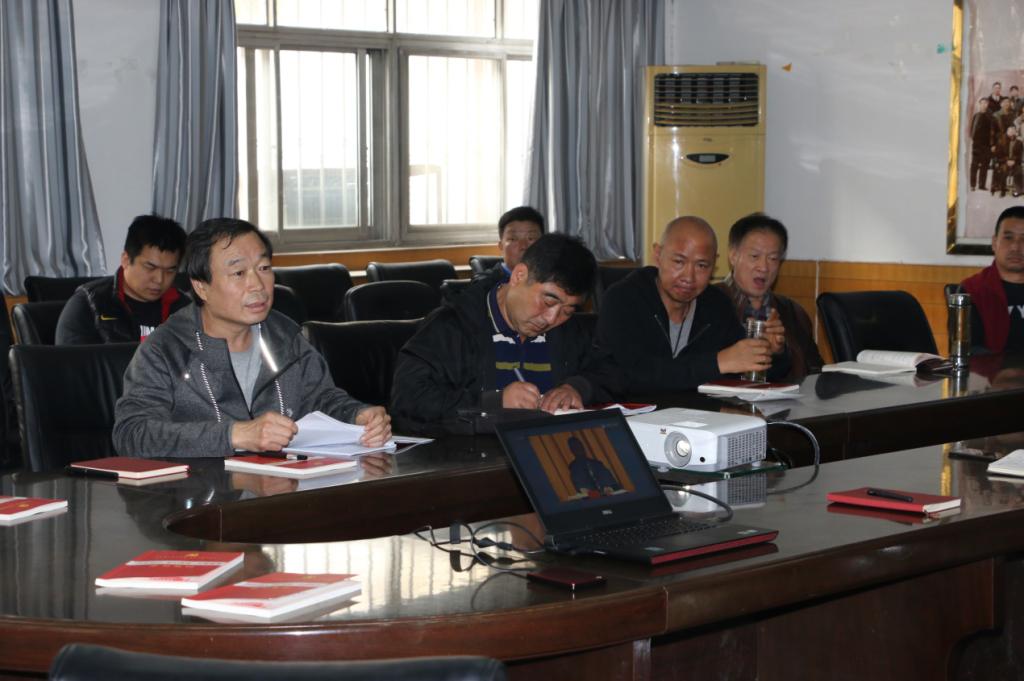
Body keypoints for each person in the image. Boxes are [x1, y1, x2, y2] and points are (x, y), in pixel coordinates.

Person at [114, 218, 391, 458]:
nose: (257, 285)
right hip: (200, 495)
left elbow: (323, 398)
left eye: (264, 268)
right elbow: (132, 433)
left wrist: (358, 415)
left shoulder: (285, 337)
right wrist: (235, 435)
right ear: (201, 287)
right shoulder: (165, 349)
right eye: (238, 273)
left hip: (283, 488)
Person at [391, 233, 616, 434]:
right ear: (519, 276)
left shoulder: (568, 330)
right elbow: (408, 400)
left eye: (567, 310)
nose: (551, 318)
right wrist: (493, 402)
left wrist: (577, 387)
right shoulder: (453, 326)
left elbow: (615, 372)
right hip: (474, 461)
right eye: (548, 301)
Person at [596, 216, 788, 393]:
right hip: (637, 415)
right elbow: (630, 376)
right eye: (679, 262)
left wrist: (772, 351)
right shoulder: (623, 298)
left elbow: (746, 374)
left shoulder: (717, 304)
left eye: (701, 266)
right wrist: (717, 363)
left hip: (701, 415)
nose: (689, 277)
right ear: (658, 254)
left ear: (714, 265)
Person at [716, 213, 824, 381]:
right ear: (733, 256)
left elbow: (815, 374)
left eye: (773, 258)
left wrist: (780, 352)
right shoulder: (709, 303)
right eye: (755, 256)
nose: (764, 267)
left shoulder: (793, 312)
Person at [55, 214, 190, 344]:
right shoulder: (89, 306)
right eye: (150, 267)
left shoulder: (185, 309)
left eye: (170, 270)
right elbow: (72, 360)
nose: (159, 279)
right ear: (126, 260)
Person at [961, 206, 1024, 354]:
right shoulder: (972, 290)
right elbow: (969, 349)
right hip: (990, 369)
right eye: (1008, 237)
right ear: (994, 243)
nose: (1015, 247)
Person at [472, 206, 545, 290]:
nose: (523, 246)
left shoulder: (552, 278)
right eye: (513, 239)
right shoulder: (484, 285)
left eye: (531, 238)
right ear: (501, 246)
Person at [970, 98, 995, 191]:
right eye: (982, 103)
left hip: (987, 145)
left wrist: (992, 144)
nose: (984, 105)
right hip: (976, 145)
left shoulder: (990, 117)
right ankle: (972, 185)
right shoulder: (976, 116)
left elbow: (993, 131)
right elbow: (972, 129)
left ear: (987, 105)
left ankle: (982, 185)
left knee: (985, 165)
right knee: (974, 165)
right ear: (979, 104)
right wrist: (973, 140)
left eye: (986, 103)